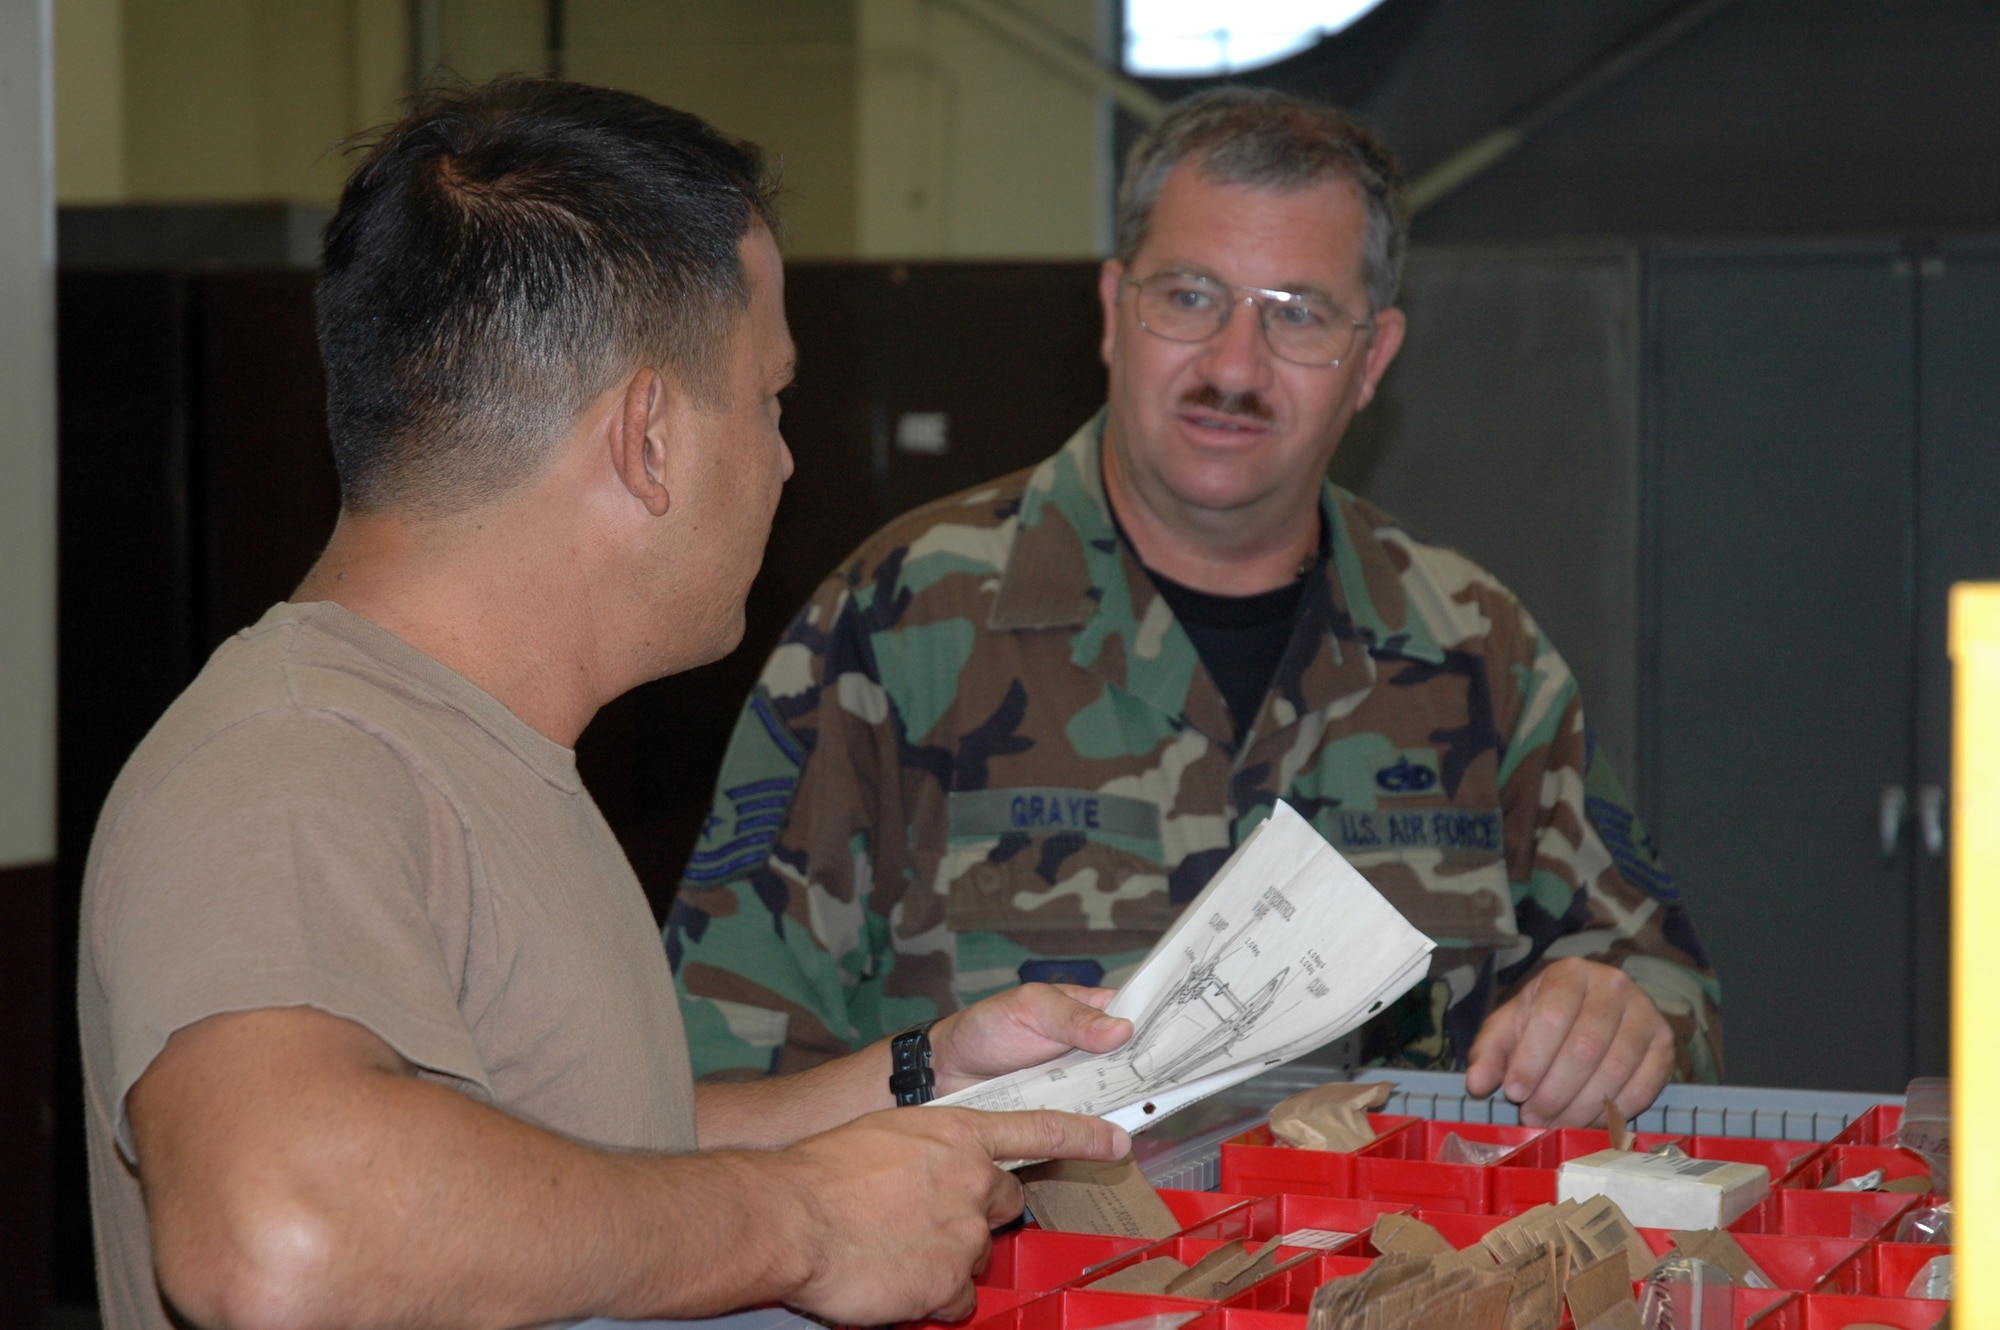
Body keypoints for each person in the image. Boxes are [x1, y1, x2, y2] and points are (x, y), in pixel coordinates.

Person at [78, 79, 1137, 1330]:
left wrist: (920, 1079)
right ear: (646, 439)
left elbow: (578, 1156)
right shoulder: (291, 761)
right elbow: (282, 1227)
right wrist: (800, 1223)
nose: (784, 457)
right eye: (768, 400)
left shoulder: (479, 753)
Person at [668, 88, 1723, 1129]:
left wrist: (1623, 1017)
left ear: (1372, 359)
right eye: (1187, 297)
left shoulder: (1476, 652)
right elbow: (712, 1076)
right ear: (1112, 312)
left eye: (1296, 315)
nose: (1231, 364)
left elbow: (1662, 987)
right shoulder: (898, 627)